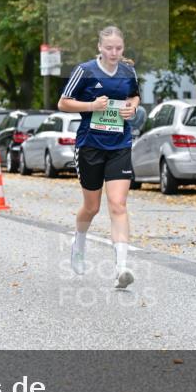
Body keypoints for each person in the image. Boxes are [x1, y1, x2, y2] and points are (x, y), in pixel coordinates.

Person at [58, 25, 141, 289]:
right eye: (109, 48)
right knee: (92, 207)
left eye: (118, 48)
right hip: (90, 145)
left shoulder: (128, 71)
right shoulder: (85, 71)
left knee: (118, 204)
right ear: (99, 48)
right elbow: (63, 102)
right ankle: (79, 243)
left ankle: (121, 268)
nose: (114, 53)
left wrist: (132, 108)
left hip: (120, 144)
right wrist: (91, 106)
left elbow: (134, 96)